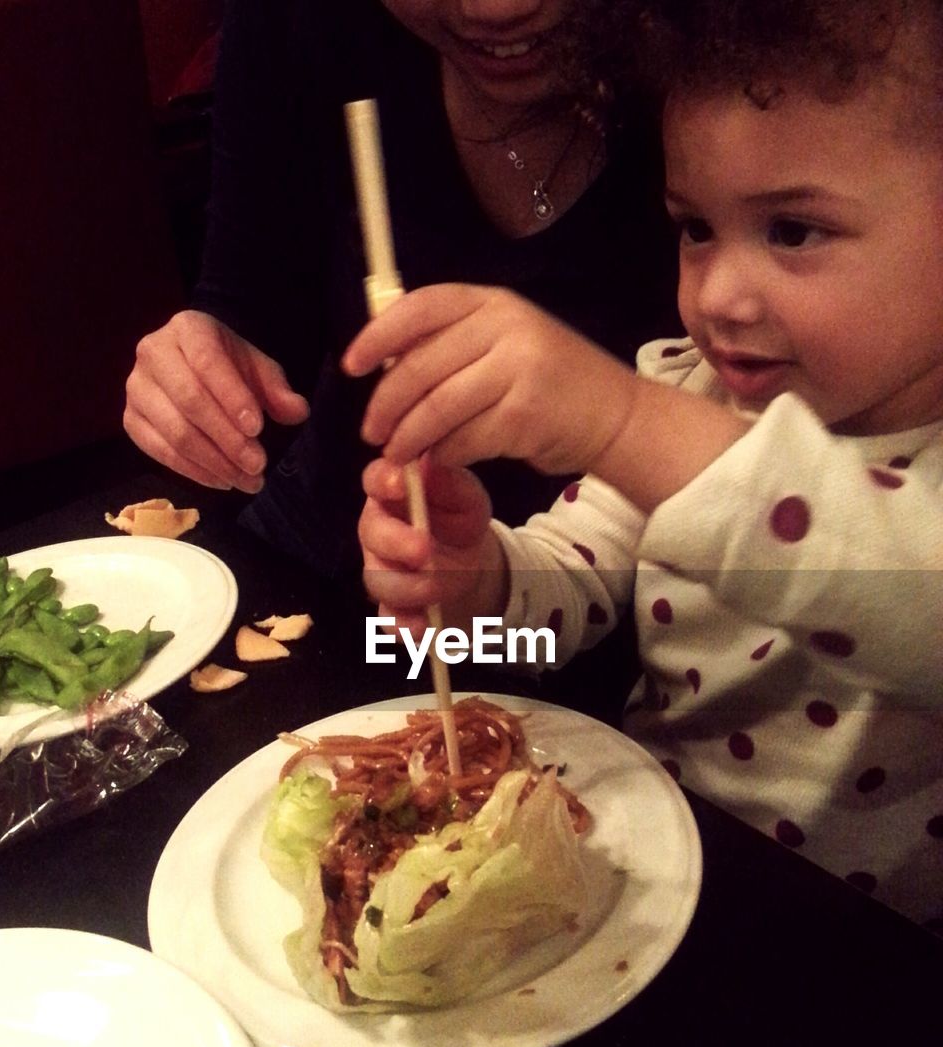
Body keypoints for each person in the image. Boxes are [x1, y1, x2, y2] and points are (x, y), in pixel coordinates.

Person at [348, 0, 943, 927]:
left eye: (792, 231)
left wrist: (624, 422)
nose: (716, 295)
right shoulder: (697, 389)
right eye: (696, 227)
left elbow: (912, 604)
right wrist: (480, 586)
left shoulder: (677, 423)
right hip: (650, 885)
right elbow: (570, 592)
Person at [122, 0, 679, 578]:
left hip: (658, 612)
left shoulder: (747, 59)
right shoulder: (298, 23)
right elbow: (250, 301)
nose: (496, 9)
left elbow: (770, 493)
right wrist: (205, 367)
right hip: (332, 565)